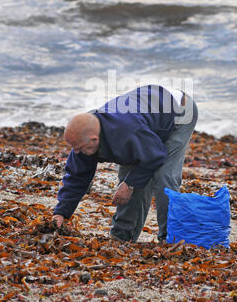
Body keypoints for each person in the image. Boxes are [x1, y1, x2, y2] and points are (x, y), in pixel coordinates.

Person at [53, 84, 198, 243]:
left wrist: (129, 184)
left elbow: (156, 155)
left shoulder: (127, 131)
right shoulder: (83, 137)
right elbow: (76, 177)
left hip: (179, 110)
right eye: (74, 149)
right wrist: (61, 212)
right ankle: (122, 236)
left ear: (94, 140)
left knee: (163, 177)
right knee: (129, 176)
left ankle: (170, 239)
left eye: (79, 149)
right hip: (148, 113)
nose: (77, 153)